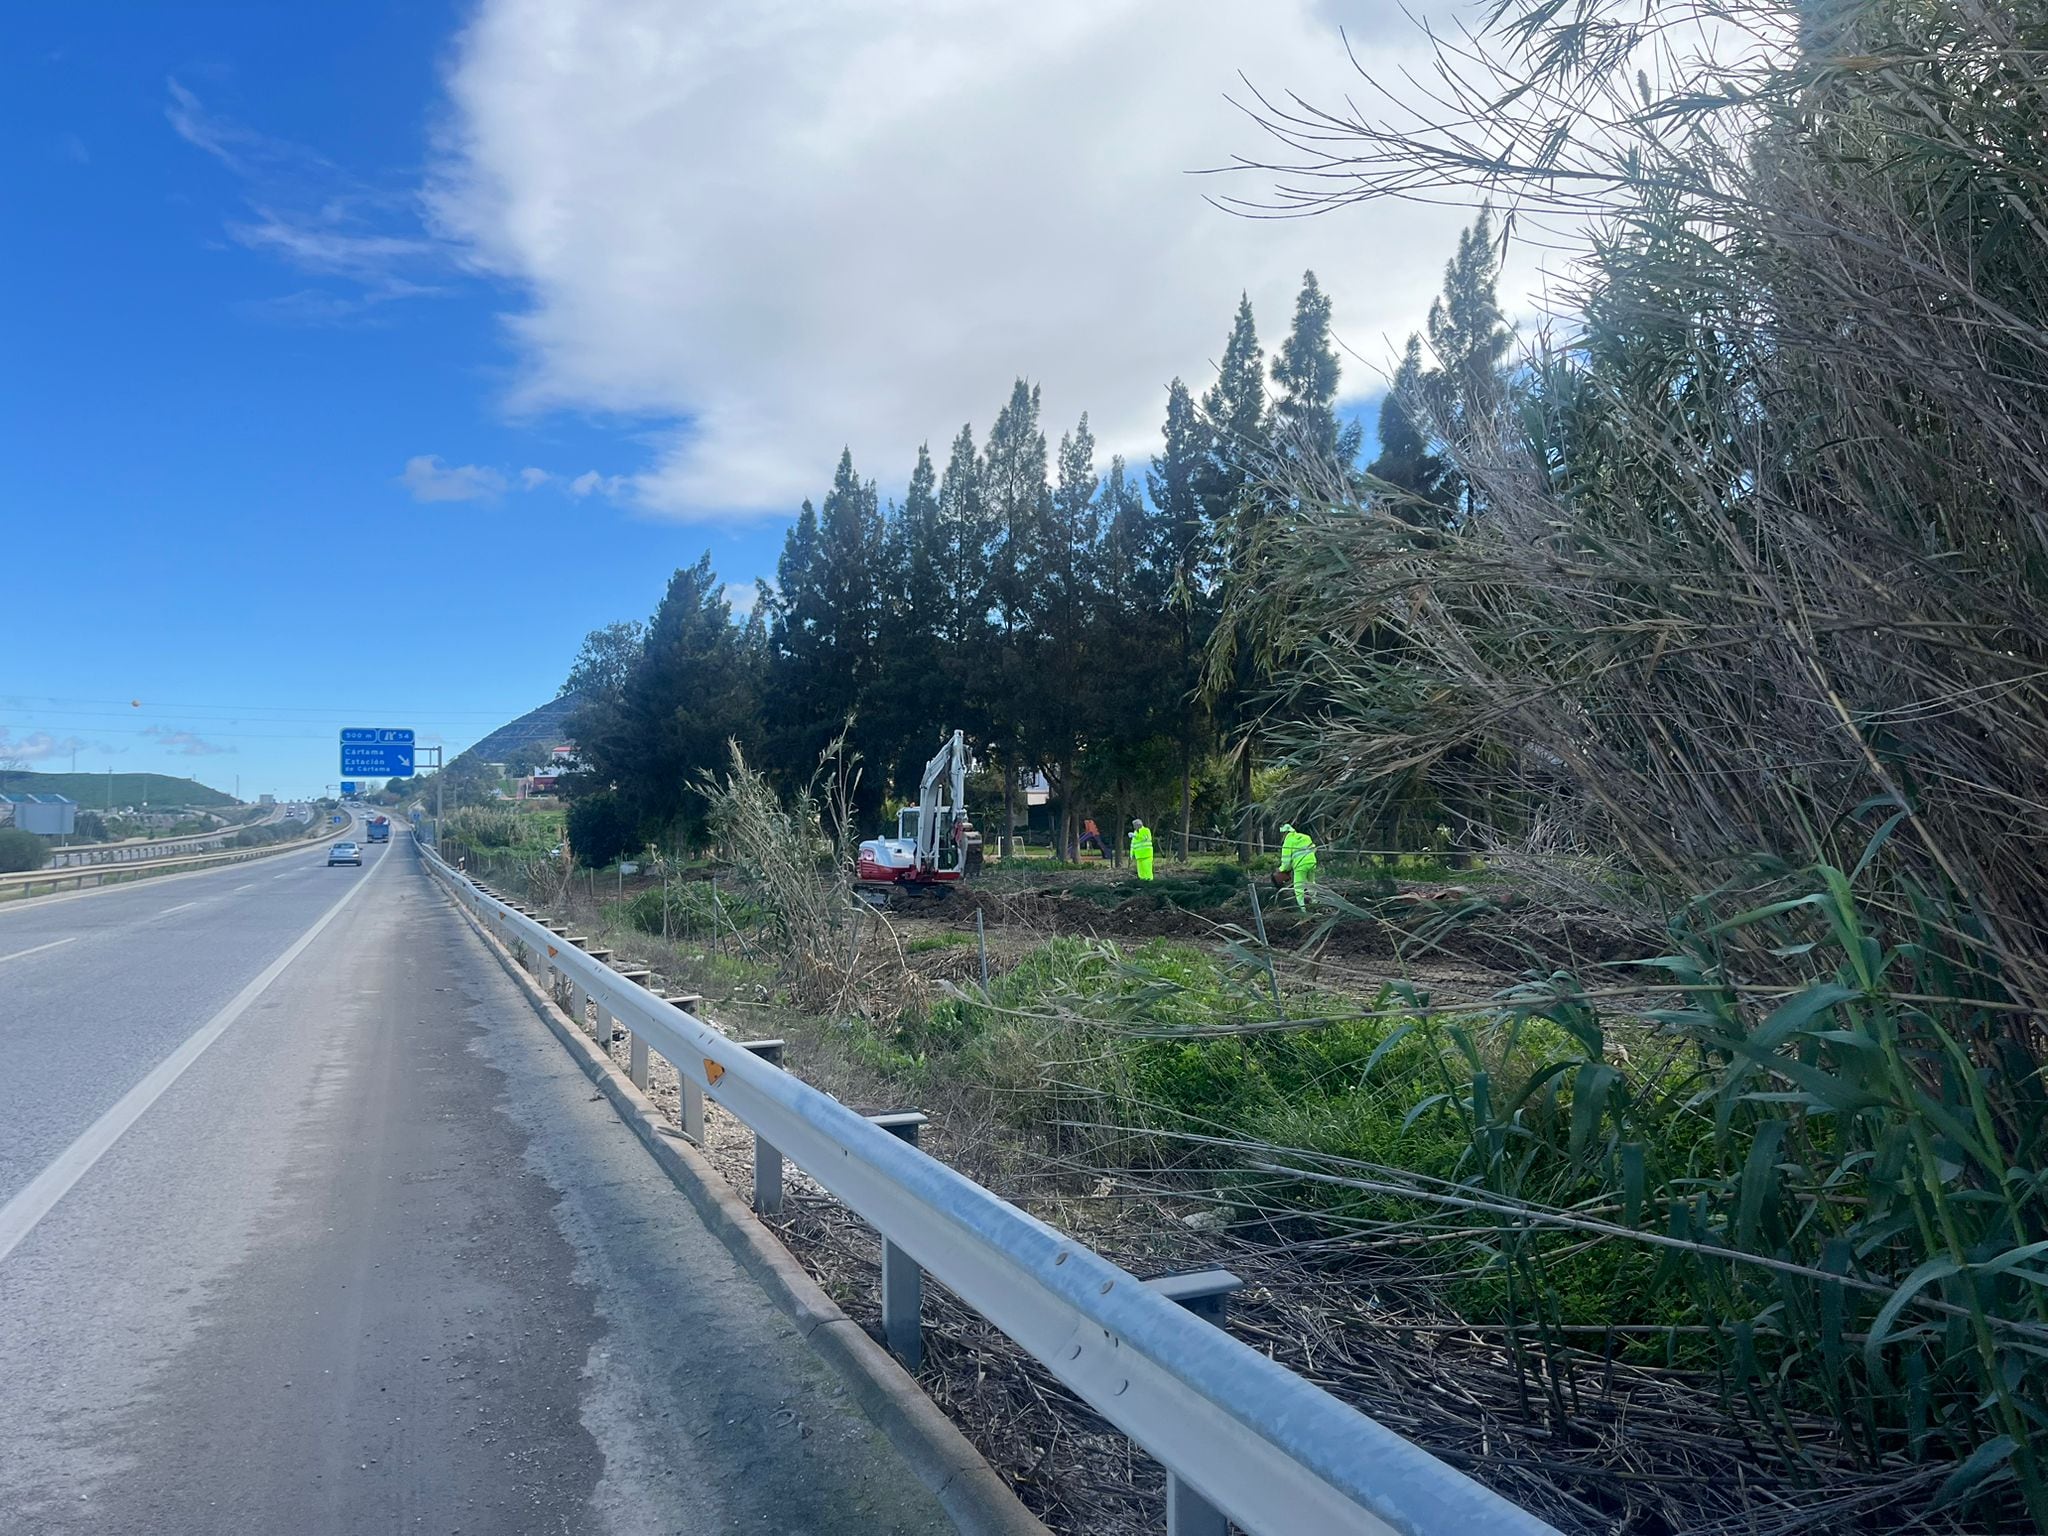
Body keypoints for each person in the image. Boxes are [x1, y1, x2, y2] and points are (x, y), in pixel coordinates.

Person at [1279, 822, 1317, 910]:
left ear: (1284, 833)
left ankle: (1302, 909)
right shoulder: (1305, 837)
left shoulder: (1288, 842)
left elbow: (1286, 861)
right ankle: (1315, 902)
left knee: (1298, 886)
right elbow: (1314, 848)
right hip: (1312, 862)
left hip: (1300, 866)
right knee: (1311, 882)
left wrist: (1282, 869)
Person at [1128, 817, 1154, 881]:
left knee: (1147, 869)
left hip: (1146, 855)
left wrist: (1135, 836)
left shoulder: (1146, 830)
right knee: (1140, 871)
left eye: (1135, 825)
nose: (1134, 827)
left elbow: (1145, 838)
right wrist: (1131, 854)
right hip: (1139, 855)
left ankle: (1149, 881)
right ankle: (1142, 881)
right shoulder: (1135, 832)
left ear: (1139, 825)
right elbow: (1133, 844)